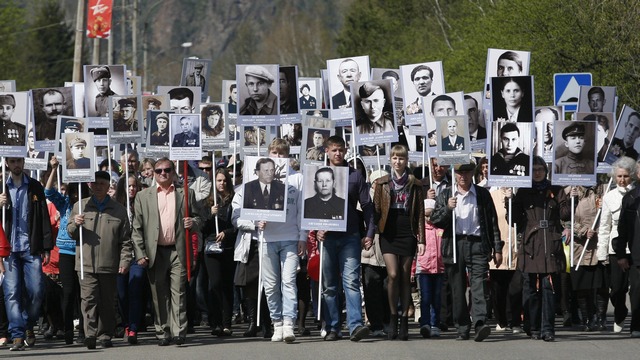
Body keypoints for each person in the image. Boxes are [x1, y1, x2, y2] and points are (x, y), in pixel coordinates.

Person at [131, 157, 201, 346]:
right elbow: (136, 228)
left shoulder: (186, 193)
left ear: (173, 172)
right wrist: (140, 253)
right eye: (159, 170)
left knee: (178, 292)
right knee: (158, 293)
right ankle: (163, 331)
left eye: (167, 170)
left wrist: (193, 223)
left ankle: (179, 331)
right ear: (153, 173)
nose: (163, 174)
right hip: (155, 252)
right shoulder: (143, 196)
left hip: (177, 250)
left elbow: (200, 218)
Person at [430, 161, 503, 342]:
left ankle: (480, 323)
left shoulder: (482, 194)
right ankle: (462, 326)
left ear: (472, 173)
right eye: (459, 173)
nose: (463, 176)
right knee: (458, 287)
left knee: (479, 285)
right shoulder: (446, 193)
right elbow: (435, 220)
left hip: (477, 243)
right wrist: (447, 209)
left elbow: (492, 222)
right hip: (454, 244)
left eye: (467, 172)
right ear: (454, 174)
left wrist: (497, 248)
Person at [67, 171, 133, 349]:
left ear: (108, 186)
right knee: (88, 300)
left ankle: (104, 334)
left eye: (102, 183)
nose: (97, 187)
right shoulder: (80, 206)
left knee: (107, 302)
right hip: (85, 263)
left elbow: (125, 240)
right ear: (90, 185)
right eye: (94, 183)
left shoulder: (118, 210)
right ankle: (90, 334)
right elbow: (70, 232)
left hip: (109, 264)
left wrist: (124, 261)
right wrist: (75, 223)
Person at [317, 136, 374, 341]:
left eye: (341, 150)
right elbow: (311, 205)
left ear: (346, 150)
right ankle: (333, 327)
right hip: (328, 237)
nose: (338, 154)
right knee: (330, 285)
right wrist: (316, 229)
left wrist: (369, 232)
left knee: (351, 281)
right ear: (327, 151)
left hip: (350, 235)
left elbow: (367, 206)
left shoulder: (355, 175)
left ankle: (355, 325)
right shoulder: (318, 174)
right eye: (333, 150)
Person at [507, 156, 565, 341]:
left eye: (540, 169)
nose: (537, 172)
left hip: (550, 243)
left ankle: (548, 328)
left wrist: (571, 198)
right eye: (534, 169)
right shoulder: (523, 191)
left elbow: (565, 213)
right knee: (531, 288)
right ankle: (533, 326)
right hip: (531, 243)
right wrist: (510, 200)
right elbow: (514, 219)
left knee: (549, 288)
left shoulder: (556, 189)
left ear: (546, 171)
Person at [0, 157, 53, 351]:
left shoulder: (34, 186)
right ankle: (17, 335)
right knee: (12, 292)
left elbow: (43, 216)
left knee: (37, 291)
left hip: (31, 247)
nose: (16, 165)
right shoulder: (1, 186)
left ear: (23, 162)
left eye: (19, 161)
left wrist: (46, 246)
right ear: (7, 163)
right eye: (12, 161)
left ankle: (28, 323)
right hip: (8, 250)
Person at [373, 144, 425, 340]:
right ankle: (393, 317)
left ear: (406, 161)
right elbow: (376, 212)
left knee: (405, 276)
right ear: (390, 160)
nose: (398, 161)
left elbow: (419, 214)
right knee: (393, 274)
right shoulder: (382, 183)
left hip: (407, 231)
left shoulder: (415, 184)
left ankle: (404, 320)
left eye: (401, 158)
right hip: (389, 232)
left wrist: (421, 239)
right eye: (394, 158)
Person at [257, 140, 306, 343]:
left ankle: (289, 324)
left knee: (289, 281)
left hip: (290, 237)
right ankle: (276, 323)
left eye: (281, 153)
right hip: (267, 238)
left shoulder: (298, 178)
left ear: (287, 156)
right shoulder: (258, 176)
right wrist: (256, 221)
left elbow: (303, 209)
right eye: (274, 152)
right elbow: (251, 205)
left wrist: (303, 236)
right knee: (270, 285)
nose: (277, 156)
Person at [45, 157, 90, 345]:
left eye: (77, 192)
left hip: (84, 250)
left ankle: (83, 331)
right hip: (66, 251)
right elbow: (48, 191)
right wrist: (54, 169)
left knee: (83, 292)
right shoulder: (64, 204)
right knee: (69, 292)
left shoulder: (89, 205)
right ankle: (68, 330)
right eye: (72, 192)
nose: (74, 195)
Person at [597, 156, 636, 333]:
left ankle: (637, 321)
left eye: (625, 176)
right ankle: (620, 312)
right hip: (616, 249)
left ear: (632, 176)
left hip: (634, 247)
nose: (622, 180)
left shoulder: (637, 194)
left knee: (635, 289)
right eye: (619, 176)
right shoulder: (609, 197)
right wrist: (602, 252)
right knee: (616, 289)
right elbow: (604, 226)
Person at [202, 168, 237, 337]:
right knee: (214, 284)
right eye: (218, 180)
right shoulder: (208, 202)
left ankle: (226, 323)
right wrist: (210, 214)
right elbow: (201, 227)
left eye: (224, 180)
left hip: (228, 247)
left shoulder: (234, 201)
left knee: (227, 286)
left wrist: (227, 233)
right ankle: (215, 322)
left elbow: (238, 225)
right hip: (211, 248)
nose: (221, 183)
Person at [113, 174, 146, 345]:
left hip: (137, 256)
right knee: (122, 294)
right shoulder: (116, 206)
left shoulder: (142, 204)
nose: (132, 189)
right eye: (129, 186)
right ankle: (125, 323)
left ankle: (133, 328)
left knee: (135, 291)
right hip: (119, 257)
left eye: (134, 186)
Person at [613, 158, 640, 338]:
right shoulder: (630, 199)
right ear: (637, 173)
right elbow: (622, 229)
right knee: (637, 292)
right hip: (637, 255)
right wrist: (621, 254)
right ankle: (637, 325)